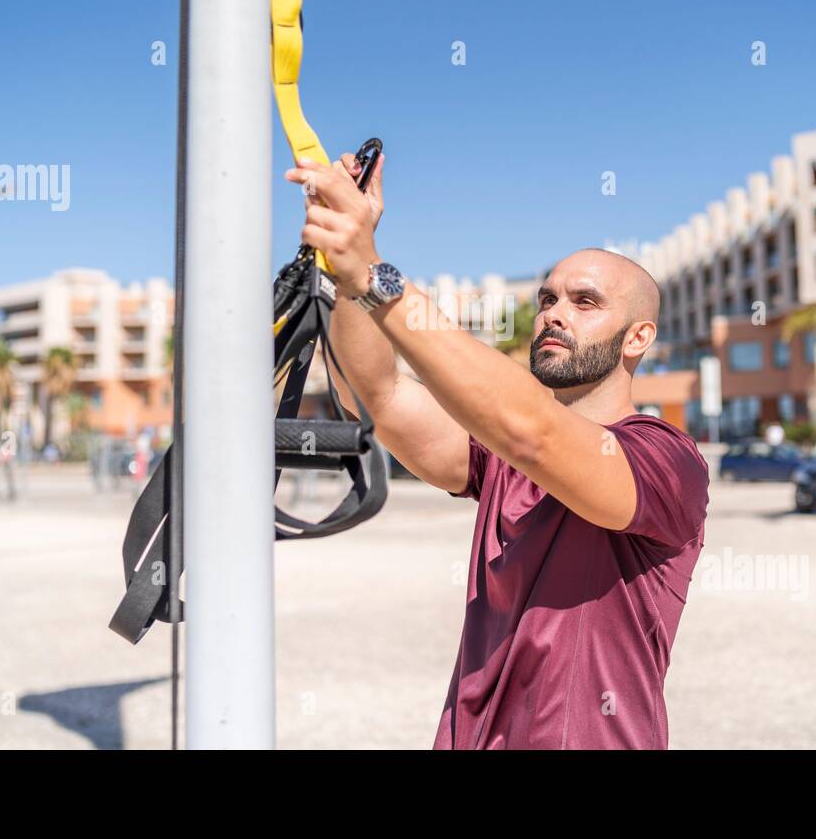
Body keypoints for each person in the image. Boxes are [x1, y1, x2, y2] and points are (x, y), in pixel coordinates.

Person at [288, 151, 710, 750]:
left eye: (584, 303)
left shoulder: (667, 460)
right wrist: (348, 275)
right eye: (547, 300)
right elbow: (376, 396)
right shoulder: (502, 457)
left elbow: (532, 433)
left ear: (638, 337)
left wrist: (378, 274)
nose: (554, 315)